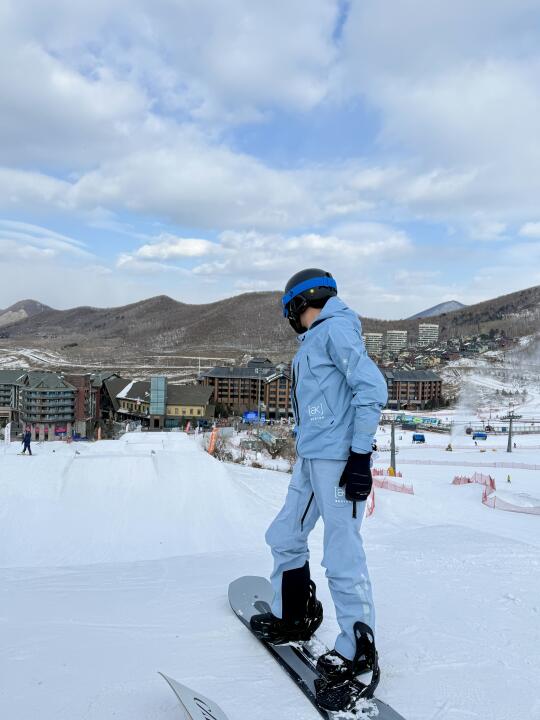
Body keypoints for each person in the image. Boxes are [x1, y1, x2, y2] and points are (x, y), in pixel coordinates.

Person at [250, 268, 388, 710]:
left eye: (288, 308)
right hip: (312, 457)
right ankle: (296, 614)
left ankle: (358, 652)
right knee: (285, 534)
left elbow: (372, 388)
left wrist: (361, 456)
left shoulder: (335, 332)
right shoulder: (316, 338)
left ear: (297, 303)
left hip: (340, 462)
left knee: (342, 552)